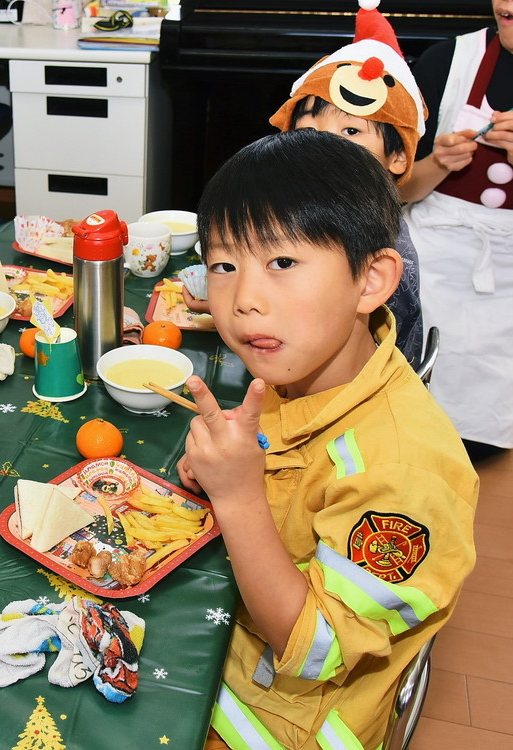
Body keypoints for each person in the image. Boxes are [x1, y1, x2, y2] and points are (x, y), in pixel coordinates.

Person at [177, 130, 478, 750]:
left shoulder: (404, 471)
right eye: (224, 266)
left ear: (372, 281)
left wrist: (236, 497)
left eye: (283, 263)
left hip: (271, 726)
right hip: (224, 648)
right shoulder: (304, 369)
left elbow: (317, 647)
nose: (246, 301)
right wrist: (228, 466)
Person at [267, 0, 427, 366]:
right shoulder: (303, 207)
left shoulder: (383, 253)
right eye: (309, 127)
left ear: (397, 157)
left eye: (351, 130)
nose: (323, 143)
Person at [399, 0, 513, 458]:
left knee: (477, 445)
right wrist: (437, 163)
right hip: (434, 254)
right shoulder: (447, 61)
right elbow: (400, 191)